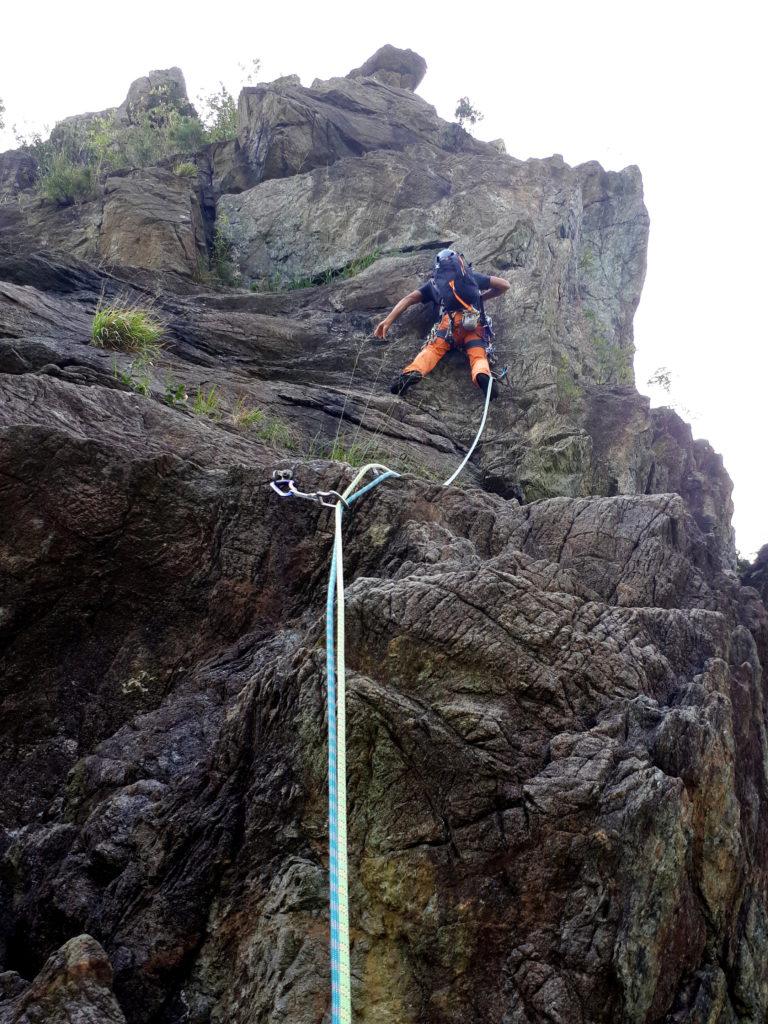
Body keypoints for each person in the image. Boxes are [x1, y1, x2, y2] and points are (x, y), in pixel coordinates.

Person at [374, 249, 510, 399]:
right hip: (474, 323)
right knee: (478, 355)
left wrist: (387, 321)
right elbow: (504, 285)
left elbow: (408, 299)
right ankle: (482, 375)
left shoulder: (433, 285)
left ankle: (413, 372)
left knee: (433, 349)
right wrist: (481, 298)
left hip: (449, 324)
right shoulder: (470, 277)